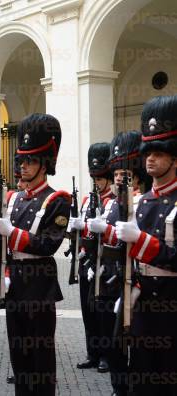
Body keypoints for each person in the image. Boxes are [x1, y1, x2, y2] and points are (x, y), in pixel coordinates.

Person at [0, 114, 70, 396]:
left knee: (40, 357)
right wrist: (1, 266)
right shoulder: (13, 198)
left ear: (45, 164)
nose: (23, 166)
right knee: (19, 354)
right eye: (21, 161)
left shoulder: (57, 199)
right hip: (15, 286)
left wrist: (11, 233)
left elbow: (48, 244)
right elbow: (4, 244)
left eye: (31, 161)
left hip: (39, 286)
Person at [114, 95, 177, 395]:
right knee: (140, 379)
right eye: (147, 151)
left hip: (171, 306)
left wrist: (141, 241)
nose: (149, 158)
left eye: (159, 152)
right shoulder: (138, 203)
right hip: (142, 304)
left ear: (174, 157)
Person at [86, 132, 144, 395]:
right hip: (111, 278)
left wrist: (106, 232)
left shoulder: (143, 202)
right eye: (117, 172)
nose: (119, 177)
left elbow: (127, 242)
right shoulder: (113, 204)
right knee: (113, 343)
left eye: (125, 172)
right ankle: (119, 387)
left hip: (137, 282)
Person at [68, 142, 115, 374]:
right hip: (87, 260)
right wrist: (76, 226)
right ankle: (93, 352)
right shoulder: (87, 201)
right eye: (94, 178)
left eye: (100, 178)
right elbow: (80, 232)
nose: (96, 182)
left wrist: (90, 226)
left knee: (103, 312)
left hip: (104, 263)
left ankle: (106, 355)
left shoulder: (114, 201)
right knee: (88, 310)